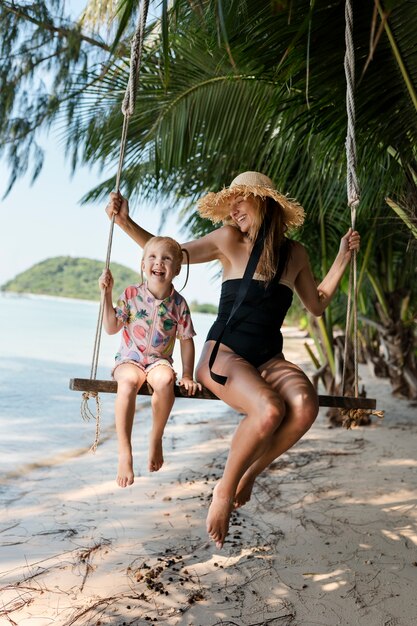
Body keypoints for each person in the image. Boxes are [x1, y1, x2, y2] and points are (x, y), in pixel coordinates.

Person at [105, 171, 360, 546]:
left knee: (305, 407)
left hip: (269, 358)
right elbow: (168, 254)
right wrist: (125, 221)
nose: (234, 210)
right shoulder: (227, 240)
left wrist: (342, 259)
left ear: (265, 202)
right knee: (269, 410)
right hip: (223, 355)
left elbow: (317, 304)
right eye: (231, 203)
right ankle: (223, 491)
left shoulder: (296, 254)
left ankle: (249, 472)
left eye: (241, 200)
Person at [99, 236, 201, 488]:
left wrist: (187, 375)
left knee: (166, 380)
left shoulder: (179, 304)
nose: (159, 263)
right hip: (129, 359)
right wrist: (107, 293)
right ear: (143, 264)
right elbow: (112, 327)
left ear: (176, 270)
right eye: (153, 257)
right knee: (129, 381)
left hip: (159, 361)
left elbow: (186, 340)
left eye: (166, 259)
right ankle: (125, 452)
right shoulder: (131, 294)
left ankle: (156, 438)